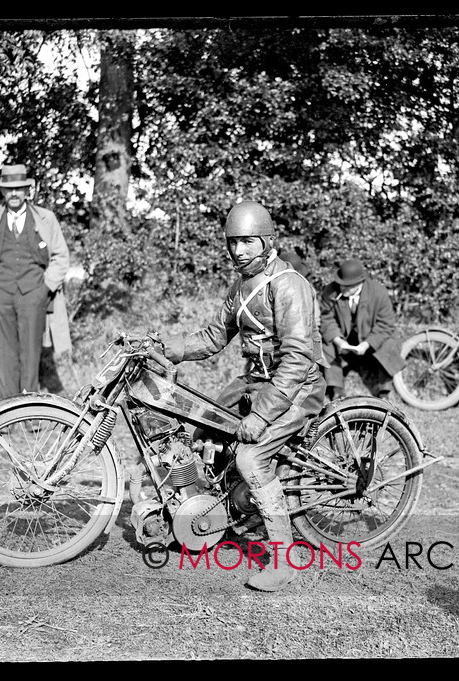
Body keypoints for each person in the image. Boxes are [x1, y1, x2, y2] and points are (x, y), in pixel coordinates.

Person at [161, 201, 326, 592]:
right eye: (233, 243)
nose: (239, 250)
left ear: (268, 241)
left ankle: (284, 560)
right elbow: (213, 338)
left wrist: (262, 415)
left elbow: (298, 358)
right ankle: (212, 511)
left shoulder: (289, 285)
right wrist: (167, 346)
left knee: (251, 457)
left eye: (248, 242)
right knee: (201, 425)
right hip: (254, 380)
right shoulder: (241, 287)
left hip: (296, 387)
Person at [0, 163, 70, 399]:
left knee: (30, 352)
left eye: (19, 188)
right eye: (8, 189)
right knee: (3, 352)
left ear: (27, 190)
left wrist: (46, 287)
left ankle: (29, 410)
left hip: (34, 293)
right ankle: (7, 410)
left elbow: (60, 256)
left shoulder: (46, 219)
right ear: (2, 192)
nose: (14, 194)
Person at [320, 258, 402, 401]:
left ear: (360, 283)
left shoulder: (378, 292)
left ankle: (384, 391)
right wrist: (338, 341)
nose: (342, 288)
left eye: (347, 286)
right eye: (340, 284)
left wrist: (367, 344)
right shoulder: (330, 292)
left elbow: (386, 324)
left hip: (370, 340)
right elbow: (326, 319)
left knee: (390, 343)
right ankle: (336, 389)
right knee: (325, 343)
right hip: (344, 340)